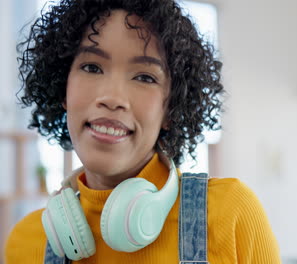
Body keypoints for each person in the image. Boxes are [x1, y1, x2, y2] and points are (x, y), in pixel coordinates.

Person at [4, 0, 281, 263]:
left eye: (144, 77)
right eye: (92, 67)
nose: (112, 97)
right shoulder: (27, 244)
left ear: (170, 109)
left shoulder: (229, 215)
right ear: (63, 88)